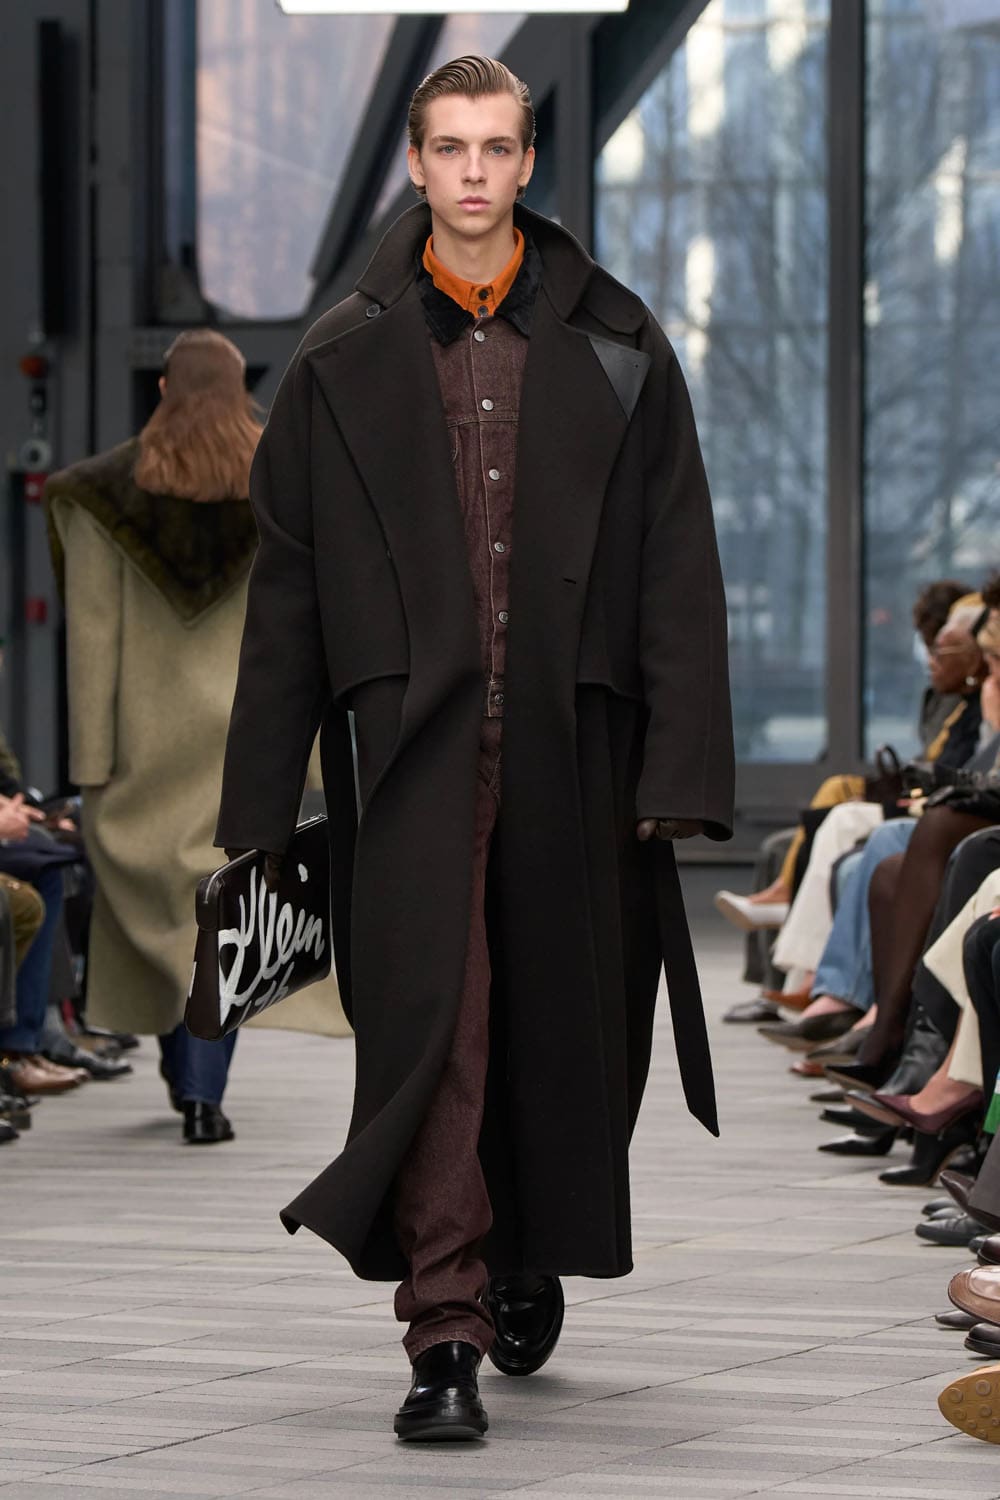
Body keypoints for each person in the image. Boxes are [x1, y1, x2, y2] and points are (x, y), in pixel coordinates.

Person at [215, 55, 734, 1442]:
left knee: (562, 1024)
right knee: (433, 1028)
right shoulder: (341, 355)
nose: (473, 172)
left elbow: (678, 558)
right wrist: (260, 795)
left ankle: (518, 1246)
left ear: (525, 162)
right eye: (449, 147)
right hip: (411, 753)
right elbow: (288, 584)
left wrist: (681, 771)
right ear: (415, 160)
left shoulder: (619, 341)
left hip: (578, 746)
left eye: (496, 147)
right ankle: (441, 1324)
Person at [44, 330, 262, 1144]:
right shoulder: (283, 484)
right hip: (244, 737)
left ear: (164, 387)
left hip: (143, 742)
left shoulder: (100, 496)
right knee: (223, 911)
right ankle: (202, 1090)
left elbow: (92, 639)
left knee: (171, 914)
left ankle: (189, 1078)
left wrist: (90, 762)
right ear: (240, 392)